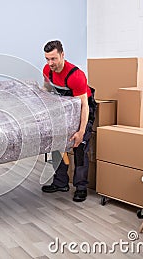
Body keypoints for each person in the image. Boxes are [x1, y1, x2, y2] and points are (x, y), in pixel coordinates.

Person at [41, 40, 97, 202]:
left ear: (62, 55)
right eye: (47, 59)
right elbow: (47, 89)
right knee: (56, 144)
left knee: (79, 147)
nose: (50, 63)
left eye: (54, 59)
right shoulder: (47, 70)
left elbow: (84, 106)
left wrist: (80, 132)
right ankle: (60, 182)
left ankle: (81, 187)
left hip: (82, 108)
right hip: (63, 109)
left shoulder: (76, 76)